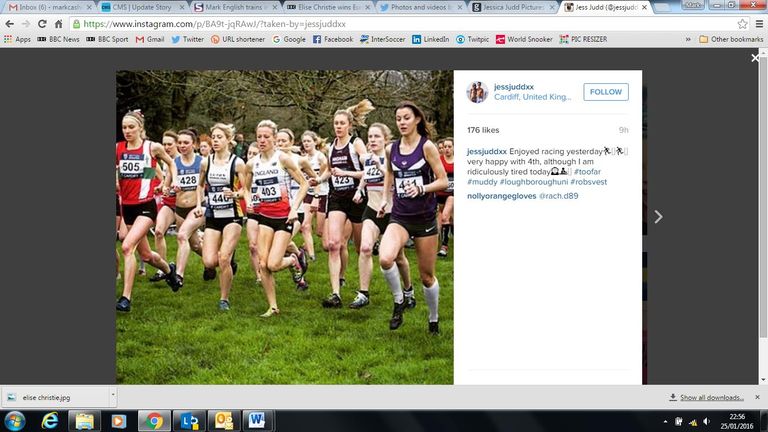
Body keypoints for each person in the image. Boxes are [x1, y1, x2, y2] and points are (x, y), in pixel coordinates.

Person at [378, 101, 448, 334]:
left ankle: (434, 318)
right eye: (398, 119)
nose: (402, 122)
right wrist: (385, 199)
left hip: (426, 218)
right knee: (386, 258)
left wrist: (422, 189)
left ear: (417, 119)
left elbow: (443, 181)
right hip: (400, 216)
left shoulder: (427, 147)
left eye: (406, 118)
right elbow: (390, 171)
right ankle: (400, 301)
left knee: (427, 277)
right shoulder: (391, 149)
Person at [116, 110, 180, 312]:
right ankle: (170, 272)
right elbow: (136, 172)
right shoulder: (118, 148)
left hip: (146, 207)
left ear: (140, 128)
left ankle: (125, 298)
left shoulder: (152, 147)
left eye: (131, 127)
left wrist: (170, 181)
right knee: (145, 255)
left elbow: (171, 163)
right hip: (127, 207)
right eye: (124, 127)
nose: (127, 131)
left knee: (127, 247)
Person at [244, 120, 309, 317]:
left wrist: (294, 209)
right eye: (259, 137)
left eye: (266, 137)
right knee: (263, 264)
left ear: (274, 138)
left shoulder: (283, 159)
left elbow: (304, 184)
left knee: (273, 264)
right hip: (264, 217)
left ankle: (292, 260)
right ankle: (273, 307)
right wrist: (249, 201)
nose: (262, 140)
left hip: (284, 218)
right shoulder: (251, 164)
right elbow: (245, 188)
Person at [350, 123, 414, 309]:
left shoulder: (393, 158)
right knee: (365, 248)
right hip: (371, 209)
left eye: (377, 136)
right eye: (370, 137)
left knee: (398, 257)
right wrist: (359, 190)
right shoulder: (368, 158)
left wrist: (380, 167)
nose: (372, 140)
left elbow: (393, 179)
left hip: (393, 214)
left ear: (386, 139)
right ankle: (363, 293)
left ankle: (408, 290)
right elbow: (365, 175)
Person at [317, 99, 375, 308]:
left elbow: (368, 171)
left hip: (357, 197)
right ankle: (335, 293)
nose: (338, 127)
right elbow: (329, 169)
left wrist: (346, 173)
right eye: (336, 123)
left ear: (349, 125)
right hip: (337, 198)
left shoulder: (356, 143)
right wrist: (320, 179)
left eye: (342, 123)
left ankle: (363, 291)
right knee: (333, 244)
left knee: (362, 248)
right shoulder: (331, 146)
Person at [193, 123, 247, 311]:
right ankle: (230, 262)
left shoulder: (237, 163)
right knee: (209, 261)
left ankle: (224, 299)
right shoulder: (206, 162)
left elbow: (246, 190)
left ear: (228, 140)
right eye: (213, 137)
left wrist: (236, 194)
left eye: (219, 137)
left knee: (222, 258)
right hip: (213, 215)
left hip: (233, 215)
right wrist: (199, 204)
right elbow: (200, 185)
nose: (215, 140)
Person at [169, 129, 206, 288]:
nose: (182, 146)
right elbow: (166, 186)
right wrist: (170, 188)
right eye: (180, 143)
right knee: (196, 245)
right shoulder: (174, 163)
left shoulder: (202, 162)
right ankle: (216, 262)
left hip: (198, 207)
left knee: (182, 236)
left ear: (194, 144)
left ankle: (178, 276)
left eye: (186, 143)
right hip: (180, 209)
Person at [149, 130, 180, 282]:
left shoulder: (182, 160)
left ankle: (210, 264)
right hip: (169, 204)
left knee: (193, 243)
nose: (166, 147)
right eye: (164, 144)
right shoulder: (164, 162)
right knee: (159, 232)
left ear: (177, 145)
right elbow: (165, 180)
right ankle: (164, 269)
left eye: (170, 144)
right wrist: (161, 186)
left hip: (184, 206)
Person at [300, 131, 329, 262]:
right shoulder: (303, 159)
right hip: (308, 193)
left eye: (308, 141)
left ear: (315, 142)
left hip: (322, 194)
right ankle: (311, 256)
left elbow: (318, 179)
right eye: (304, 141)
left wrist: (317, 197)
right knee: (305, 225)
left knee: (320, 232)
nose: (306, 143)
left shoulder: (321, 157)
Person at [244, 142, 262, 284]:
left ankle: (295, 255)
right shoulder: (245, 169)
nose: (251, 156)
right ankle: (259, 276)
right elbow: (245, 190)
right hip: (252, 211)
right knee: (253, 245)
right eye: (249, 153)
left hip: (268, 211)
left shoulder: (266, 167)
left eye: (254, 154)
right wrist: (248, 201)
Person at [437, 137, 454, 257]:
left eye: (449, 147)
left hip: (452, 194)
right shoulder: (439, 160)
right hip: (439, 194)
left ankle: (444, 246)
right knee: (445, 221)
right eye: (445, 146)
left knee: (445, 216)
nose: (447, 149)